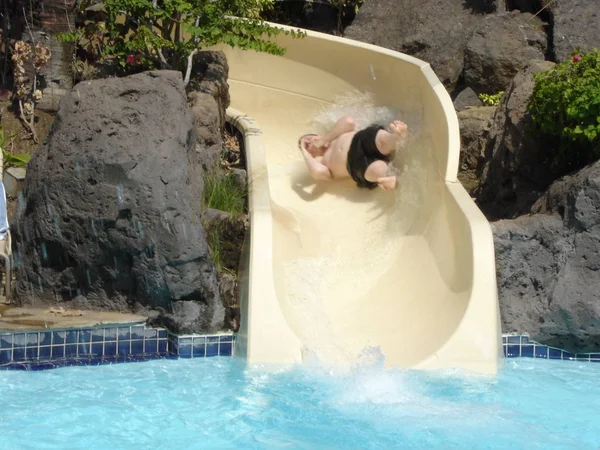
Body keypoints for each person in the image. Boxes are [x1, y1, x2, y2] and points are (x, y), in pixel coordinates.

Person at [298, 116, 407, 191]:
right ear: (311, 155)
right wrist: (304, 150)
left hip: (360, 139)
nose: (310, 143)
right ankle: (390, 178)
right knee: (375, 170)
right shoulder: (323, 164)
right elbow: (317, 172)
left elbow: (348, 121)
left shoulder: (334, 134)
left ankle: (396, 136)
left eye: (310, 139)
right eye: (307, 146)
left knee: (380, 140)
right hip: (355, 165)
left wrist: (324, 139)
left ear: (319, 135)